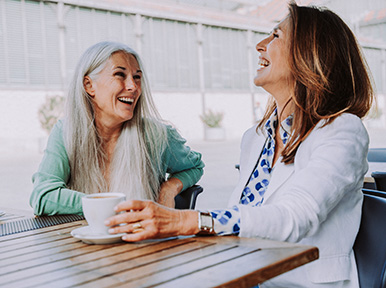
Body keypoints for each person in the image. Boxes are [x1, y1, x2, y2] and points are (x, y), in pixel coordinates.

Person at [105, 2, 375, 287]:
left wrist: (185, 221)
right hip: (244, 276)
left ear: (309, 55)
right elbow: (244, 218)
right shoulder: (256, 138)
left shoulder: (342, 131)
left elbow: (294, 217)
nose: (260, 45)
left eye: (276, 36)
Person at [30, 41, 204, 216]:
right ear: (89, 85)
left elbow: (194, 166)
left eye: (137, 77)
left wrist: (169, 188)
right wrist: (106, 206)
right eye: (120, 74)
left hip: (141, 241)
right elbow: (43, 196)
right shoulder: (65, 132)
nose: (133, 87)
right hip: (81, 239)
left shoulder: (157, 135)